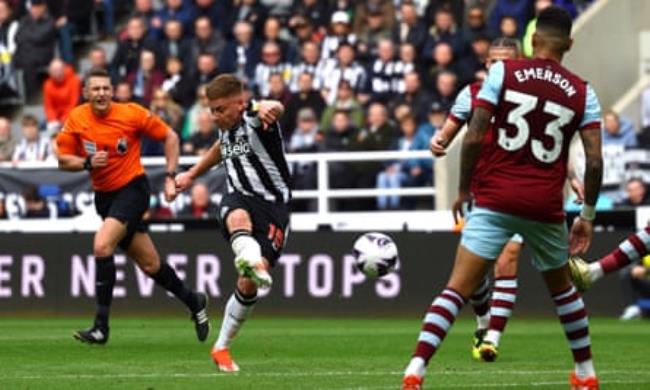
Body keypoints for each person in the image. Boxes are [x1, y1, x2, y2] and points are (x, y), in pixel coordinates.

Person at [402, 7, 603, 390]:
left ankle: (415, 371)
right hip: (545, 206)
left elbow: (475, 135)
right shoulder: (583, 91)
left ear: (533, 40)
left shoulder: (503, 74)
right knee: (563, 291)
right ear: (570, 45)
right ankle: (587, 374)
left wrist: (463, 190)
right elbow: (595, 162)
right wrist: (587, 215)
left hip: (494, 199)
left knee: (456, 289)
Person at [55, 68, 209, 345]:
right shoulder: (77, 118)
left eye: (106, 88)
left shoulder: (131, 113)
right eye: (96, 89)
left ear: (112, 91)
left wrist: (171, 177)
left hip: (133, 190)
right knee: (150, 265)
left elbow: (171, 137)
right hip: (105, 197)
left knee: (102, 245)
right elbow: (62, 160)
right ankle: (194, 300)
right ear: (86, 93)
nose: (101, 93)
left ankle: (101, 327)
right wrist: (87, 163)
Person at [175, 74, 291, 372]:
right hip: (239, 198)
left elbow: (274, 108)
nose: (215, 116)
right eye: (211, 110)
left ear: (239, 104)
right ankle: (250, 257)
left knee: (247, 283)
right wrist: (191, 173)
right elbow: (219, 149)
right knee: (237, 217)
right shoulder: (227, 128)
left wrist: (267, 105)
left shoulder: (255, 118)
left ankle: (221, 347)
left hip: (274, 209)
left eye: (220, 110)